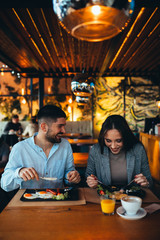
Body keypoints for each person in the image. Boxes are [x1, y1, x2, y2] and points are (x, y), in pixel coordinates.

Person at [1, 105, 81, 191]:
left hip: (58, 200)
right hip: (29, 202)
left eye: (64, 126)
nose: (64, 131)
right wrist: (19, 173)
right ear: (44, 127)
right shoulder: (20, 148)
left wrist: (72, 176)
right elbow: (5, 185)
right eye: (60, 126)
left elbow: (69, 173)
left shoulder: (65, 145)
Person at [86, 115, 153, 189]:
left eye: (118, 141)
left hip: (131, 198)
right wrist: (91, 182)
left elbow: (149, 181)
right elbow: (88, 176)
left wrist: (145, 183)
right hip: (104, 198)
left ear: (125, 137)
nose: (113, 146)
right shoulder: (96, 150)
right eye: (108, 141)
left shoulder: (138, 149)